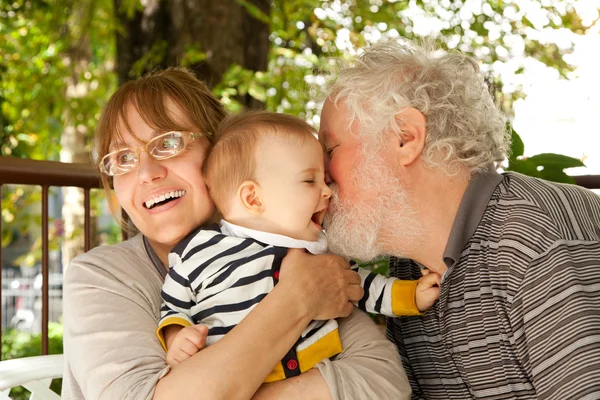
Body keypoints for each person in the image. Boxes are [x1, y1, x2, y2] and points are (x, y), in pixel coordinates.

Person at [61, 67, 412, 400]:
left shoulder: (294, 247)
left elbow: (384, 381)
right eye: (123, 159)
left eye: (168, 143)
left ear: (217, 151)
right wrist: (297, 298)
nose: (146, 172)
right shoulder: (101, 278)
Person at [319, 40, 600, 400]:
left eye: (329, 150)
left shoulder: (531, 238)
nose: (320, 176)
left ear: (406, 137)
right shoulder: (407, 268)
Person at [158, 111, 441, 381]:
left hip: (313, 373)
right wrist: (176, 335)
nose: (328, 190)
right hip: (236, 379)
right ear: (253, 199)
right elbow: (173, 304)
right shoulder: (200, 251)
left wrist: (410, 295)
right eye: (309, 180)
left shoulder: (315, 252)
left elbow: (360, 285)